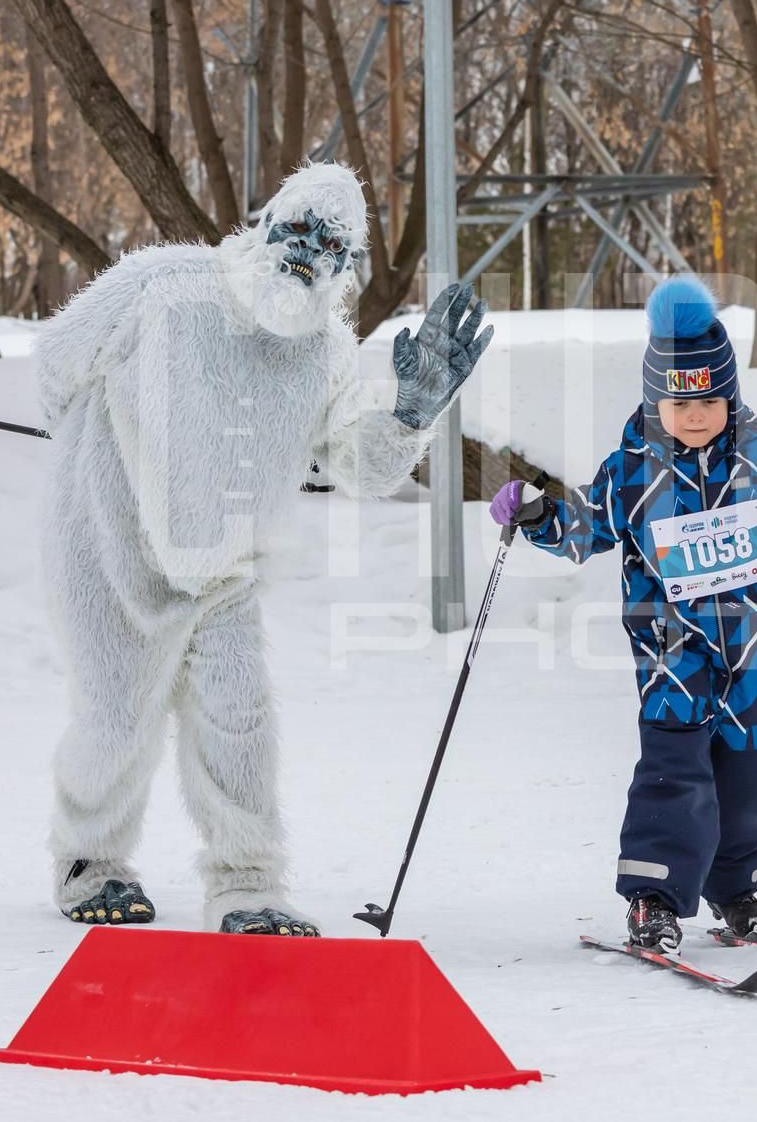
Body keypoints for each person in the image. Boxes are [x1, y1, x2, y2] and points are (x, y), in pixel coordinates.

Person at [33, 162, 492, 936]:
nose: (306, 251)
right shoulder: (160, 282)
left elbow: (366, 466)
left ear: (345, 269)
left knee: (242, 720)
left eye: (331, 244)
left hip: (222, 569)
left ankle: (246, 883)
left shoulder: (324, 354)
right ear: (264, 224)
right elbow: (56, 364)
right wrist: (97, 450)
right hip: (106, 540)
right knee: (115, 717)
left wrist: (414, 410)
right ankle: (90, 859)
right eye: (298, 230)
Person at [488, 277, 757, 952]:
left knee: (753, 780)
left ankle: (735, 889)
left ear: (730, 396)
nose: (694, 413)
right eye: (678, 399)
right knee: (675, 773)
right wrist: (538, 513)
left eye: (709, 398)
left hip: (756, 659)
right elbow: (583, 527)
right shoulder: (632, 472)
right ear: (654, 399)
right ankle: (654, 898)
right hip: (673, 654)